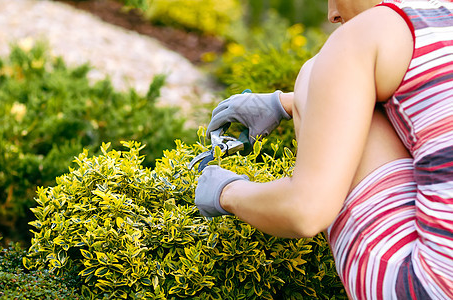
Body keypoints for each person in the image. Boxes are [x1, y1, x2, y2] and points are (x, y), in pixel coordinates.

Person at [194, 0, 453, 299]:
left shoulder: (365, 35)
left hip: (424, 287)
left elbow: (305, 211)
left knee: (316, 69)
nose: (333, 14)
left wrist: (226, 191)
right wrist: (290, 103)